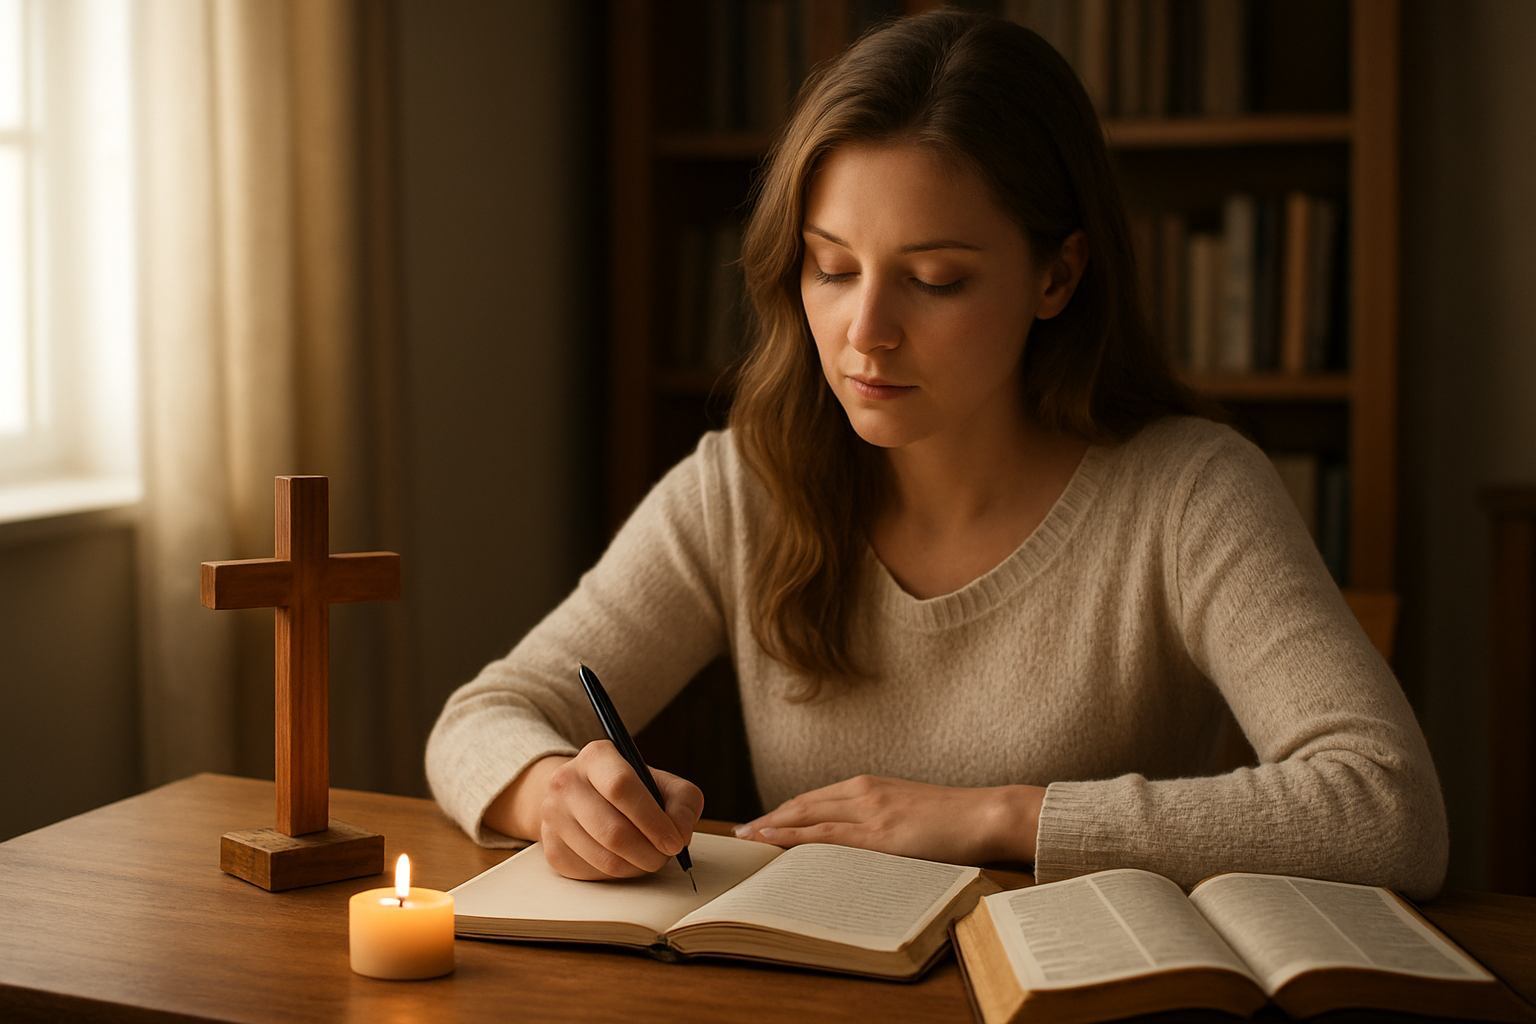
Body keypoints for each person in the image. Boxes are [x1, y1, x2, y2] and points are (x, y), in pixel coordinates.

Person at [426, 10, 1447, 898]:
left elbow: (1386, 806)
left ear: (1058, 275)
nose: (866, 331)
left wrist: (999, 818)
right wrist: (554, 788)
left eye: (937, 279)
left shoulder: (1189, 491)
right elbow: (487, 715)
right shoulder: (744, 486)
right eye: (832, 268)